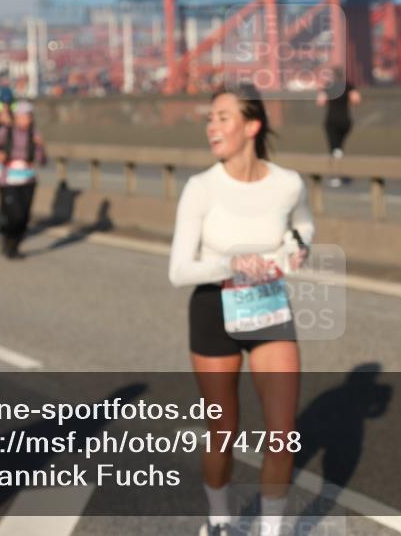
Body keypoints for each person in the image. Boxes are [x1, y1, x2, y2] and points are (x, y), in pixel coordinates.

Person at [169, 85, 313, 536]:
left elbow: (304, 223)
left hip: (268, 305)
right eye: (210, 118)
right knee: (223, 431)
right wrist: (228, 264)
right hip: (214, 308)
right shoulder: (201, 189)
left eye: (223, 117)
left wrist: (295, 246)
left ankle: (270, 531)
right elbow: (178, 270)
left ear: (252, 126)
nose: (212, 126)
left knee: (282, 433)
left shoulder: (288, 183)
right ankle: (219, 518)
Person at [0, 101, 45, 259]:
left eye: (28, 116)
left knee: (25, 217)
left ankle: (14, 245)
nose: (26, 120)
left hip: (28, 179)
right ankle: (7, 237)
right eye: (22, 116)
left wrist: (40, 147)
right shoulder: (4, 132)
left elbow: (42, 161)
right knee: (15, 214)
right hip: (9, 179)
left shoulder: (35, 134)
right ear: (16, 118)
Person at [315, 68, 360, 188]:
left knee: (333, 148)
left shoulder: (329, 86)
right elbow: (356, 100)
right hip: (345, 120)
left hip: (332, 120)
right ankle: (338, 159)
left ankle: (335, 176)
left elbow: (320, 102)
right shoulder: (348, 86)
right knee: (339, 147)